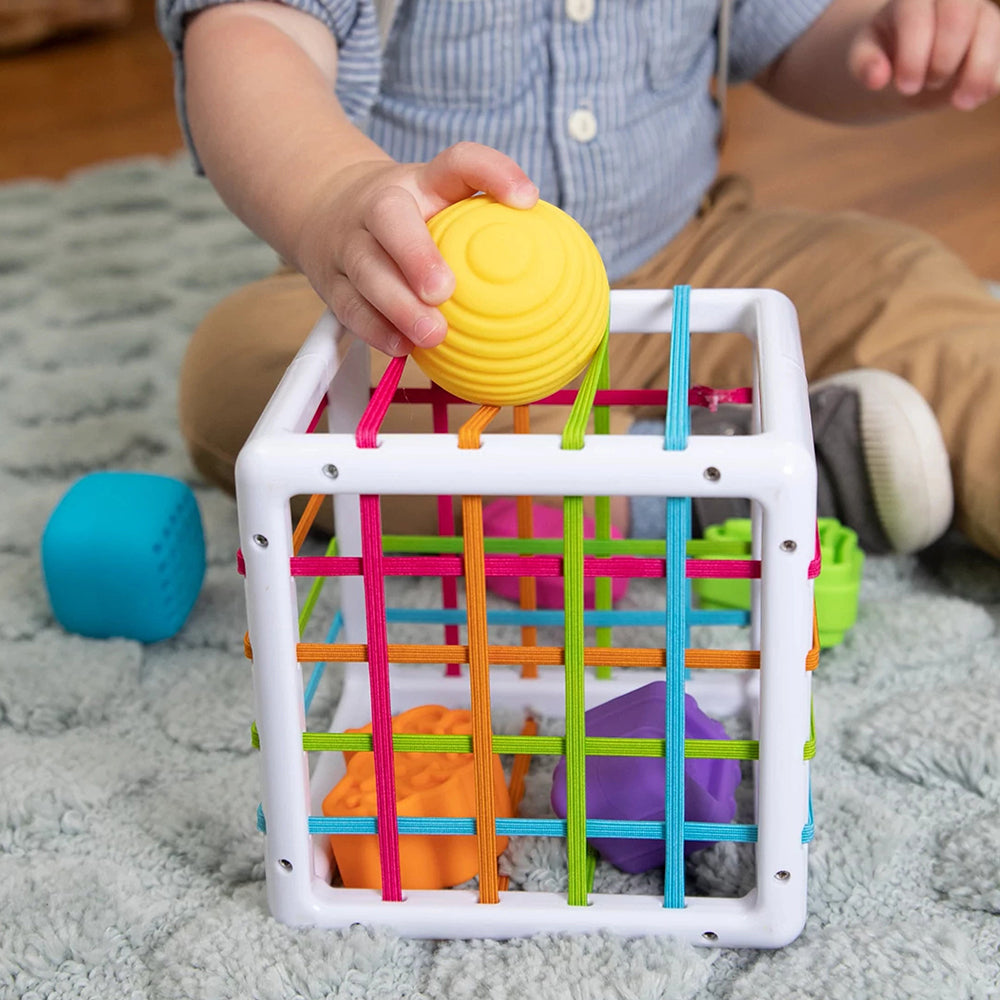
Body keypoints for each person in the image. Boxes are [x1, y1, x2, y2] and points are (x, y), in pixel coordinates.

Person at [157, 0, 1000, 561]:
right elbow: (252, 38)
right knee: (249, 378)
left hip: (691, 274)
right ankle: (674, 498)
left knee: (903, 287)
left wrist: (883, 44)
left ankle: (689, 470)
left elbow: (789, 35)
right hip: (419, 321)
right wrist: (336, 193)